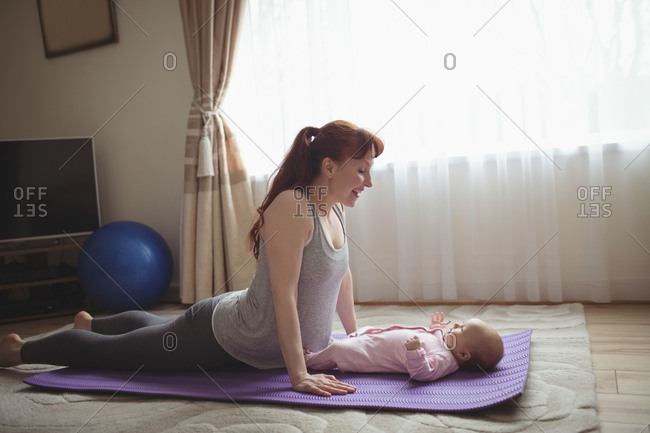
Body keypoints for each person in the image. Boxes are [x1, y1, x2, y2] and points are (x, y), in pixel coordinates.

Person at [0, 120, 384, 398]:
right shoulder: (292, 206)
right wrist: (297, 375)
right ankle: (19, 349)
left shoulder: (333, 208)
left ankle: (92, 323)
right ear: (330, 167)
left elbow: (341, 275)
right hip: (225, 334)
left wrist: (353, 337)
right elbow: (284, 295)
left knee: (152, 328)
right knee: (116, 355)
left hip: (249, 332)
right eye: (362, 170)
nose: (368, 182)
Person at [304, 312, 504, 381]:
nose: (457, 324)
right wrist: (434, 328)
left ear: (463, 354)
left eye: (462, 329)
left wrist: (415, 352)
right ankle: (331, 348)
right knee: (365, 333)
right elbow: (431, 337)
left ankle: (311, 360)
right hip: (377, 341)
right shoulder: (445, 342)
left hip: (370, 356)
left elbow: (422, 373)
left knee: (342, 351)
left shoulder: (445, 360)